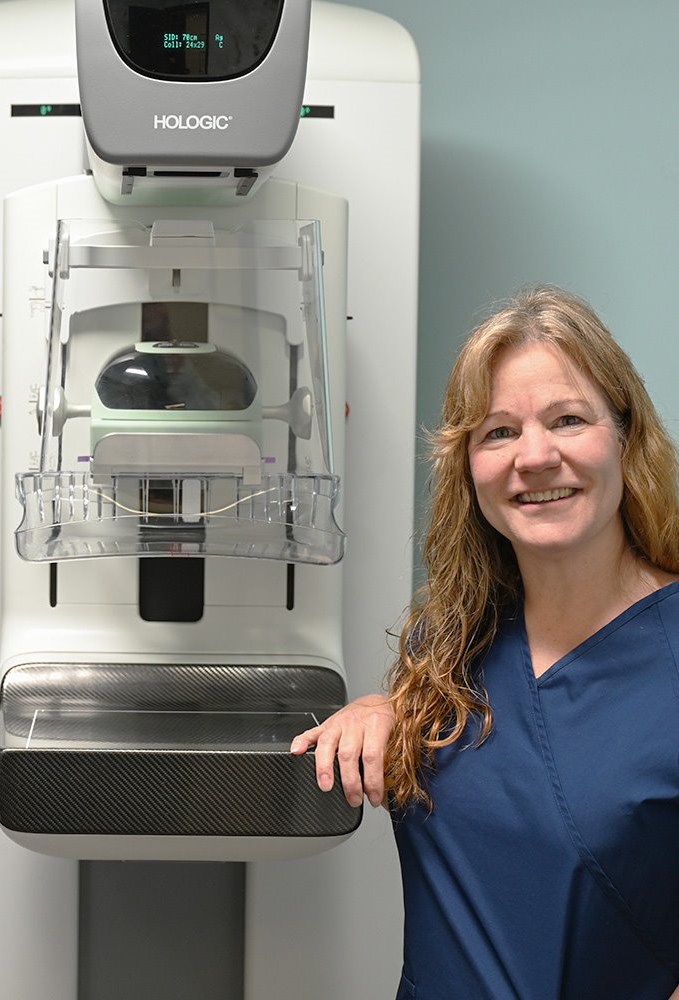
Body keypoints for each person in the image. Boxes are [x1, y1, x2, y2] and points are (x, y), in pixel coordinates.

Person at [291, 286, 679, 999]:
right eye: (498, 432)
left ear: (626, 436)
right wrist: (384, 710)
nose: (534, 457)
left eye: (568, 419)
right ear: (468, 467)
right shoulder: (449, 646)